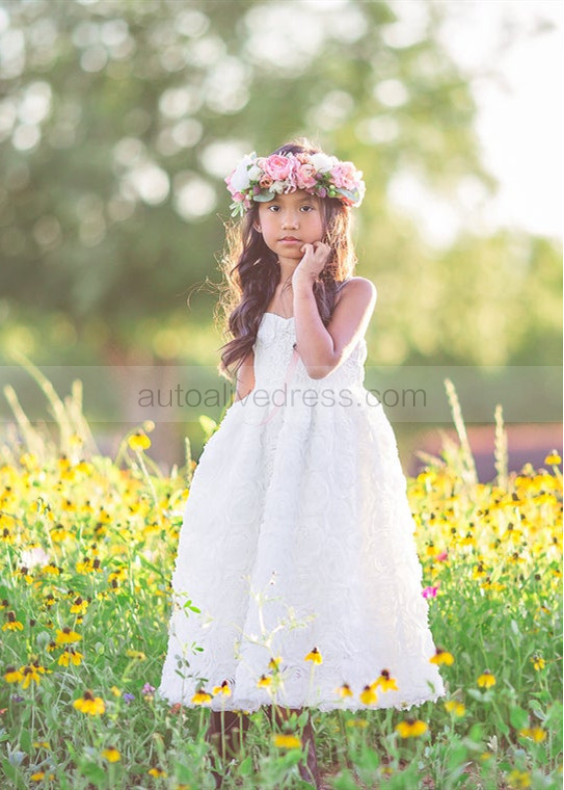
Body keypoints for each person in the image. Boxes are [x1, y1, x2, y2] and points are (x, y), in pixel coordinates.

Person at [157, 138, 446, 789]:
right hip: (263, 451)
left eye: (306, 206)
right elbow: (250, 389)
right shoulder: (255, 295)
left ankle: (306, 745)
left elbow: (320, 362)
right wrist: (227, 473)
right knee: (249, 578)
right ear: (255, 220)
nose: (290, 221)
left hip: (327, 455)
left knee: (310, 581)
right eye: (275, 207)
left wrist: (306, 283)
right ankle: (228, 749)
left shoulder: (353, 291)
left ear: (332, 216)